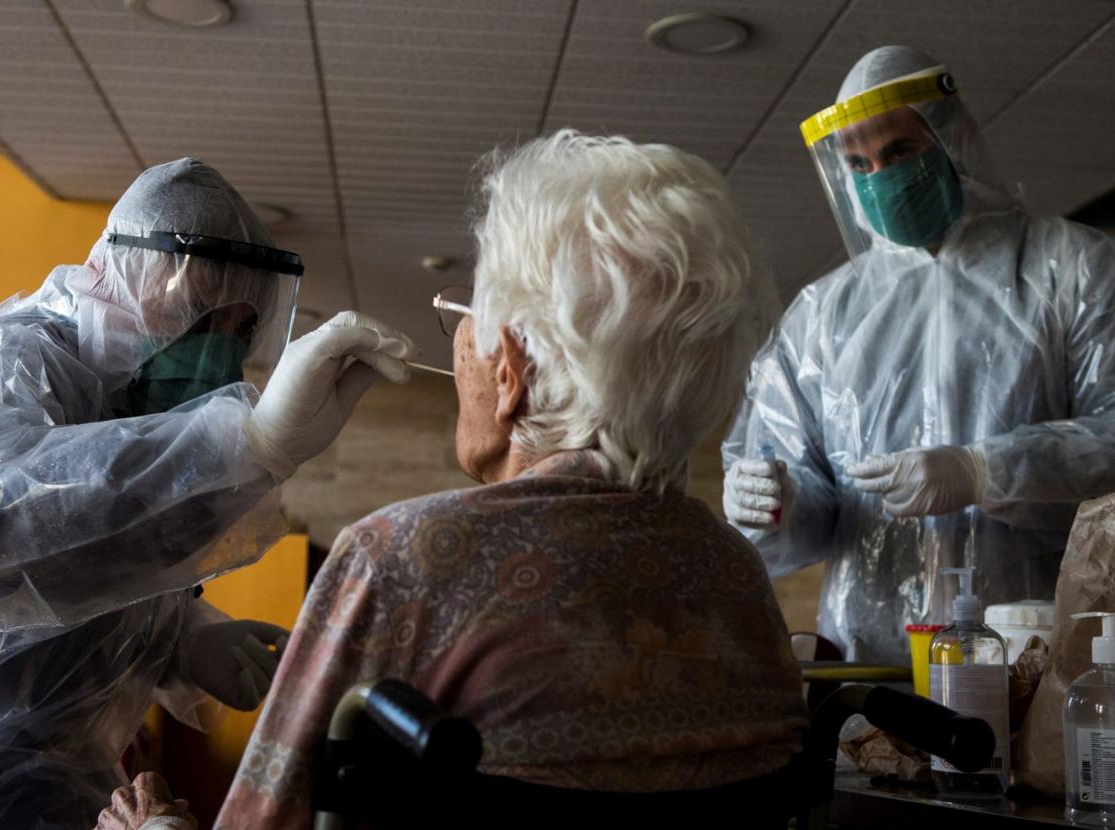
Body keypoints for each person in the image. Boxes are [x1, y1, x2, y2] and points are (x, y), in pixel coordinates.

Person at [98, 130, 807, 830]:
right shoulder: (738, 578)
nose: (459, 340)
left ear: (511, 375)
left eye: (464, 316)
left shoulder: (405, 559)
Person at [0, 158, 415, 829]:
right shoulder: (3, 370)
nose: (213, 349)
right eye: (191, 311)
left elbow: (82, 570)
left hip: (43, 785)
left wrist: (177, 637)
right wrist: (248, 447)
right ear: (106, 278)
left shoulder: (125, 409)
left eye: (236, 330)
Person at [722, 45, 1115, 663]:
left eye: (899, 152)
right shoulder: (824, 316)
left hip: (1035, 654)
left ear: (951, 137)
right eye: (858, 163)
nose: (880, 177)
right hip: (872, 664)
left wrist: (984, 471)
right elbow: (811, 506)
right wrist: (770, 503)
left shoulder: (1069, 270)